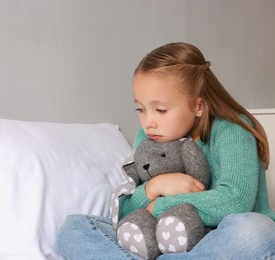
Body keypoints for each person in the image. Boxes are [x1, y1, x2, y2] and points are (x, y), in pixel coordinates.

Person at [56, 42, 275, 259]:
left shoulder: (231, 130)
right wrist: (153, 187)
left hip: (217, 239)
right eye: (140, 109)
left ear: (198, 106)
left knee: (255, 229)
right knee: (74, 228)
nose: (148, 122)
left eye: (161, 110)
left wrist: (158, 206)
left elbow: (235, 201)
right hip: (156, 239)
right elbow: (124, 213)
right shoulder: (148, 138)